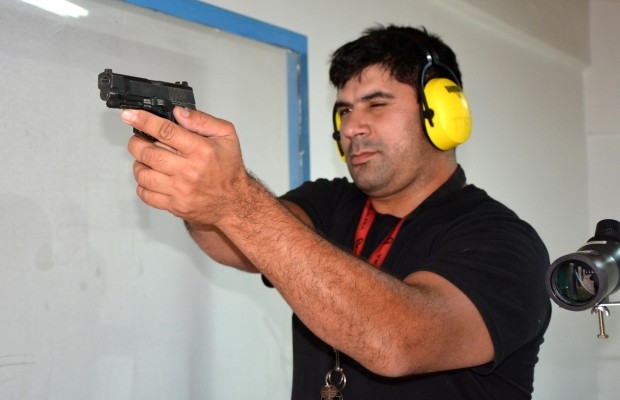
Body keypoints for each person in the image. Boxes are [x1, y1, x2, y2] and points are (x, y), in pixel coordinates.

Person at [122, 25, 551, 399]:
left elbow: (396, 342)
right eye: (344, 110)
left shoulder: (505, 243)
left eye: (376, 104)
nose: (351, 127)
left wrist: (233, 199)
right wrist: (201, 198)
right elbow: (236, 246)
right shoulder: (330, 199)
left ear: (442, 112)